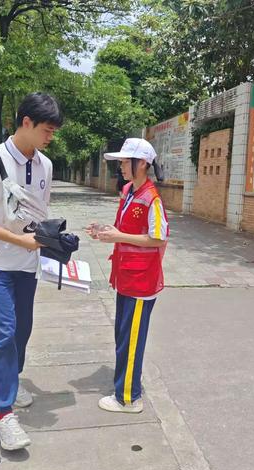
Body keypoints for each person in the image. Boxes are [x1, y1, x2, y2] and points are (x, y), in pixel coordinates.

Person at [0, 92, 63, 450]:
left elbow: (39, 213)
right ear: (26, 123)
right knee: (2, 333)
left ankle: (10, 381)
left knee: (21, 331)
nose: (51, 137)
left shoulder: (46, 166)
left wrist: (55, 241)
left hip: (27, 266)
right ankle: (3, 415)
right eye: (47, 130)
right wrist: (17, 241)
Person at [86, 138, 169, 413]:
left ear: (142, 163)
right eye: (121, 161)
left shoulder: (151, 198)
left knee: (131, 338)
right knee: (124, 336)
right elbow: (127, 229)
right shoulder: (130, 191)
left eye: (125, 161)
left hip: (140, 281)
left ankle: (128, 398)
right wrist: (106, 230)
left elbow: (158, 237)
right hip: (127, 277)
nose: (121, 166)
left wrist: (118, 235)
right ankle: (125, 387)